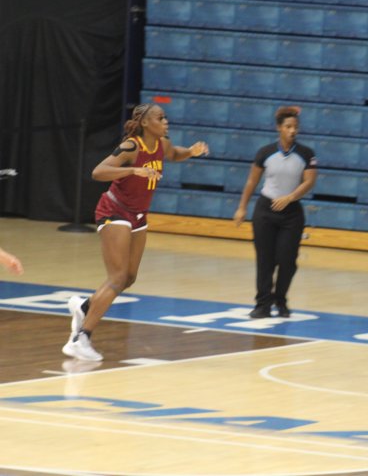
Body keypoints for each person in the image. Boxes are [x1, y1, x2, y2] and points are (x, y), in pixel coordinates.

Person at [63, 103, 209, 361]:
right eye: (160, 118)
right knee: (117, 278)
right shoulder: (131, 146)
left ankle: (85, 307)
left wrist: (191, 151)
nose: (165, 121)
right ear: (145, 123)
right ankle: (81, 338)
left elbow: (173, 153)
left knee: (129, 277)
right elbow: (98, 171)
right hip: (115, 211)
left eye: (165, 117)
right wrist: (133, 169)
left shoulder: (162, 143)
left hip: (138, 215)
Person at [233, 106, 317, 319]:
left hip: (291, 213)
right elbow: (252, 181)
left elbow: (309, 181)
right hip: (265, 211)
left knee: (287, 260)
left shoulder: (306, 154)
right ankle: (263, 304)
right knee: (265, 260)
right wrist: (242, 207)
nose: (292, 130)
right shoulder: (265, 152)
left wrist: (290, 197)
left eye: (295, 127)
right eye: (288, 126)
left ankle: (281, 299)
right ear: (279, 128)